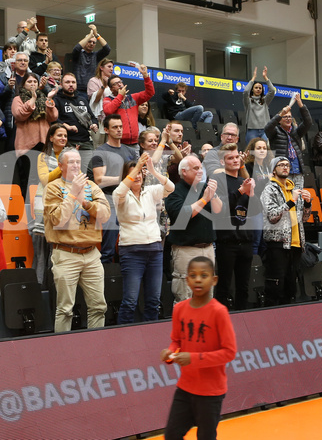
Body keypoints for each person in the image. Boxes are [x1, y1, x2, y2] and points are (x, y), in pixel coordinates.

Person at [160, 256, 237, 440]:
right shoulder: (179, 309)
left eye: (204, 275)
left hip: (211, 392)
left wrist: (193, 359)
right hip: (185, 388)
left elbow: (229, 352)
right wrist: (170, 354)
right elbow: (177, 341)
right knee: (171, 434)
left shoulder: (219, 312)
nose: (198, 279)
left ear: (214, 280)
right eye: (193, 275)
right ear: (187, 280)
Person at [43, 148, 110, 332]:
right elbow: (58, 220)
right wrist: (72, 194)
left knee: (99, 306)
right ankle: (63, 352)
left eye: (78, 162)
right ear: (61, 165)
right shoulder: (53, 187)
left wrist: (86, 203)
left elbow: (105, 215)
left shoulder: (92, 187)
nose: (76, 166)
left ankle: (96, 347)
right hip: (66, 254)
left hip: (91, 254)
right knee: (65, 309)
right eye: (71, 162)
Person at [114, 154, 174, 324]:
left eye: (140, 172)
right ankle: (123, 340)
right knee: (130, 302)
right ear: (126, 176)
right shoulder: (121, 195)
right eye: (133, 173)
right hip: (132, 252)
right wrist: (138, 166)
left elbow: (170, 187)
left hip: (155, 251)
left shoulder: (150, 191)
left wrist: (153, 171)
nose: (137, 176)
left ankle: (151, 338)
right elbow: (119, 192)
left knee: (153, 301)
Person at [166, 155, 223, 303]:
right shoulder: (174, 191)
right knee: (185, 297)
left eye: (201, 168)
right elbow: (183, 216)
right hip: (186, 250)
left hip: (209, 248)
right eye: (195, 168)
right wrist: (204, 199)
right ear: (184, 172)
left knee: (207, 296)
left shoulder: (204, 187)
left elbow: (218, 211)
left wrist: (213, 194)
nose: (200, 171)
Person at [261, 156, 312, 306]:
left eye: (287, 165)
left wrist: (308, 204)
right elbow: (272, 216)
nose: (285, 167)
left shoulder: (294, 190)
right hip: (277, 244)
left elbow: (304, 219)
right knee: (276, 286)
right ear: (274, 169)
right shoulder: (269, 189)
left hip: (296, 244)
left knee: (291, 287)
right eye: (281, 165)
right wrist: (290, 202)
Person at [88, 114, 138, 263]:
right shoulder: (100, 151)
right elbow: (99, 179)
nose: (119, 130)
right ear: (106, 130)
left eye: (121, 127)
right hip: (108, 199)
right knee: (108, 247)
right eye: (115, 127)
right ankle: (105, 275)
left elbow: (136, 175)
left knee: (133, 243)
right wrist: (123, 178)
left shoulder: (130, 151)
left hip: (128, 199)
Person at [213, 143, 255, 310]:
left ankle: (243, 322)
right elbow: (220, 209)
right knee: (224, 287)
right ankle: (221, 323)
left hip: (246, 241)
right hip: (227, 242)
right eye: (230, 158)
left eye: (237, 157)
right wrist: (240, 191)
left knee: (244, 288)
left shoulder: (244, 180)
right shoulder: (218, 181)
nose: (235, 160)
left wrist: (251, 194)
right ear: (223, 162)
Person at [32, 124, 68, 287]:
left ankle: (54, 286)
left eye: (65, 136)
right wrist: (63, 165)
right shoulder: (43, 156)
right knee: (41, 249)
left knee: (57, 249)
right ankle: (39, 286)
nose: (63, 138)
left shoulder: (71, 155)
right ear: (51, 138)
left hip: (63, 201)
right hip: (44, 201)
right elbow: (45, 180)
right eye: (59, 135)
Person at [264, 93, 311, 188]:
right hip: (283, 173)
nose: (288, 119)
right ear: (280, 120)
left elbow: (308, 122)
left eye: (290, 117)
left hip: (298, 172)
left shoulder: (296, 131)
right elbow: (267, 128)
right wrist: (281, 113)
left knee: (298, 200)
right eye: (285, 117)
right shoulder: (275, 132)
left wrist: (300, 104)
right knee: (285, 200)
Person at [103, 66, 155, 147]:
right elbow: (108, 111)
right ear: (111, 89)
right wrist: (120, 96)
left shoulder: (133, 98)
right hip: (118, 143)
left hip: (134, 143)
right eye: (115, 84)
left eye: (120, 82)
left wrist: (145, 75)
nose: (119, 84)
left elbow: (150, 92)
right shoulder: (108, 99)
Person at [11, 73, 58, 155]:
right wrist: (33, 99)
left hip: (44, 143)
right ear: (23, 84)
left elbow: (53, 117)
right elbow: (20, 115)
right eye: (29, 81)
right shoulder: (17, 99)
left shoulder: (44, 98)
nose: (32, 84)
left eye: (35, 81)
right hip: (26, 145)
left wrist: (49, 99)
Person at [244, 137, 273, 255]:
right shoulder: (249, 166)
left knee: (265, 242)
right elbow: (253, 186)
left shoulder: (268, 166)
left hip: (267, 207)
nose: (262, 150)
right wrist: (268, 179)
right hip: (255, 207)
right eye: (258, 148)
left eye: (264, 148)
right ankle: (253, 269)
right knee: (255, 241)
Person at [54, 73, 97, 150]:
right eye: (67, 82)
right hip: (67, 141)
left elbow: (92, 117)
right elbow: (53, 119)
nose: (71, 85)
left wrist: (94, 124)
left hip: (85, 141)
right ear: (61, 84)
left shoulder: (82, 100)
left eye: (73, 82)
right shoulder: (57, 100)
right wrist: (66, 126)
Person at [71, 24, 111, 95]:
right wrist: (90, 35)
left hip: (92, 89)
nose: (92, 44)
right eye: (89, 41)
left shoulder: (96, 55)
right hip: (79, 89)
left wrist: (96, 34)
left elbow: (107, 49)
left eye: (94, 42)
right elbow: (76, 48)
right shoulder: (78, 54)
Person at [243, 66, 276, 142]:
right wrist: (253, 78)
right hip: (252, 131)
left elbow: (272, 90)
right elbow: (245, 92)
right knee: (252, 151)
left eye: (260, 88)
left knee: (266, 151)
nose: (258, 89)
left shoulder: (264, 101)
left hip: (264, 130)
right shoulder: (248, 101)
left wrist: (265, 77)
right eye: (256, 87)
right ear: (252, 89)